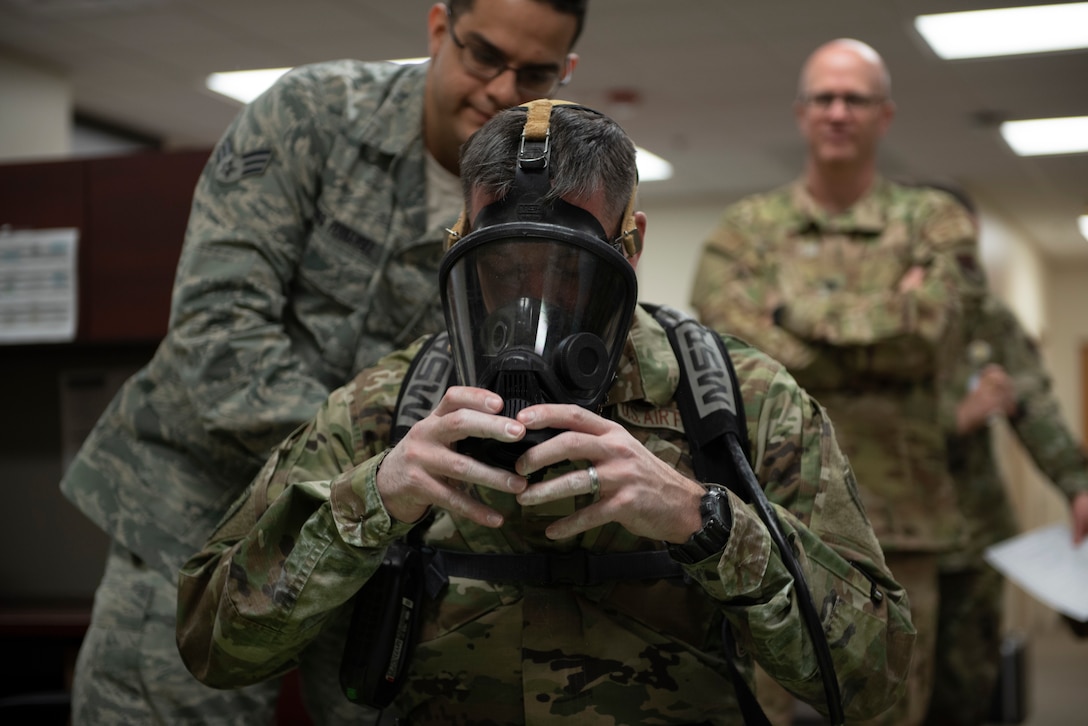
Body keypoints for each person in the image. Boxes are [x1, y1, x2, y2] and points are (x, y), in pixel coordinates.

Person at [176, 100, 915, 725]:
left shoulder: (740, 404)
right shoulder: (388, 408)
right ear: (460, 246)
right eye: (504, 267)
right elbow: (212, 643)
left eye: (569, 271)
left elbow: (879, 677)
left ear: (632, 244)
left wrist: (704, 521)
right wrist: (370, 501)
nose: (535, 298)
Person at [59, 1, 588, 723]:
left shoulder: (547, 201)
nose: (501, 89)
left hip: (383, 550)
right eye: (483, 57)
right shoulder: (312, 116)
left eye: (533, 72)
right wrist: (378, 470)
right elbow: (217, 337)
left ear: (567, 73)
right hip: (202, 516)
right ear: (439, 30)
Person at [689, 39, 981, 726]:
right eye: (825, 97)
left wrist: (790, 317)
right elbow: (731, 346)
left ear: (886, 113)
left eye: (856, 98)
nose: (838, 111)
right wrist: (883, 321)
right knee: (753, 703)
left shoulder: (933, 222)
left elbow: (930, 333)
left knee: (891, 705)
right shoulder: (745, 229)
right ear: (801, 112)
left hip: (899, 517)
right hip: (769, 506)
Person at [923, 186, 1088, 726]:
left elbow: (1033, 403)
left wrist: (1077, 485)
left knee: (968, 690)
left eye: (965, 243)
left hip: (975, 536)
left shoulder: (986, 317)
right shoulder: (866, 319)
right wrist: (957, 417)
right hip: (888, 540)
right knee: (886, 692)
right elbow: (840, 425)